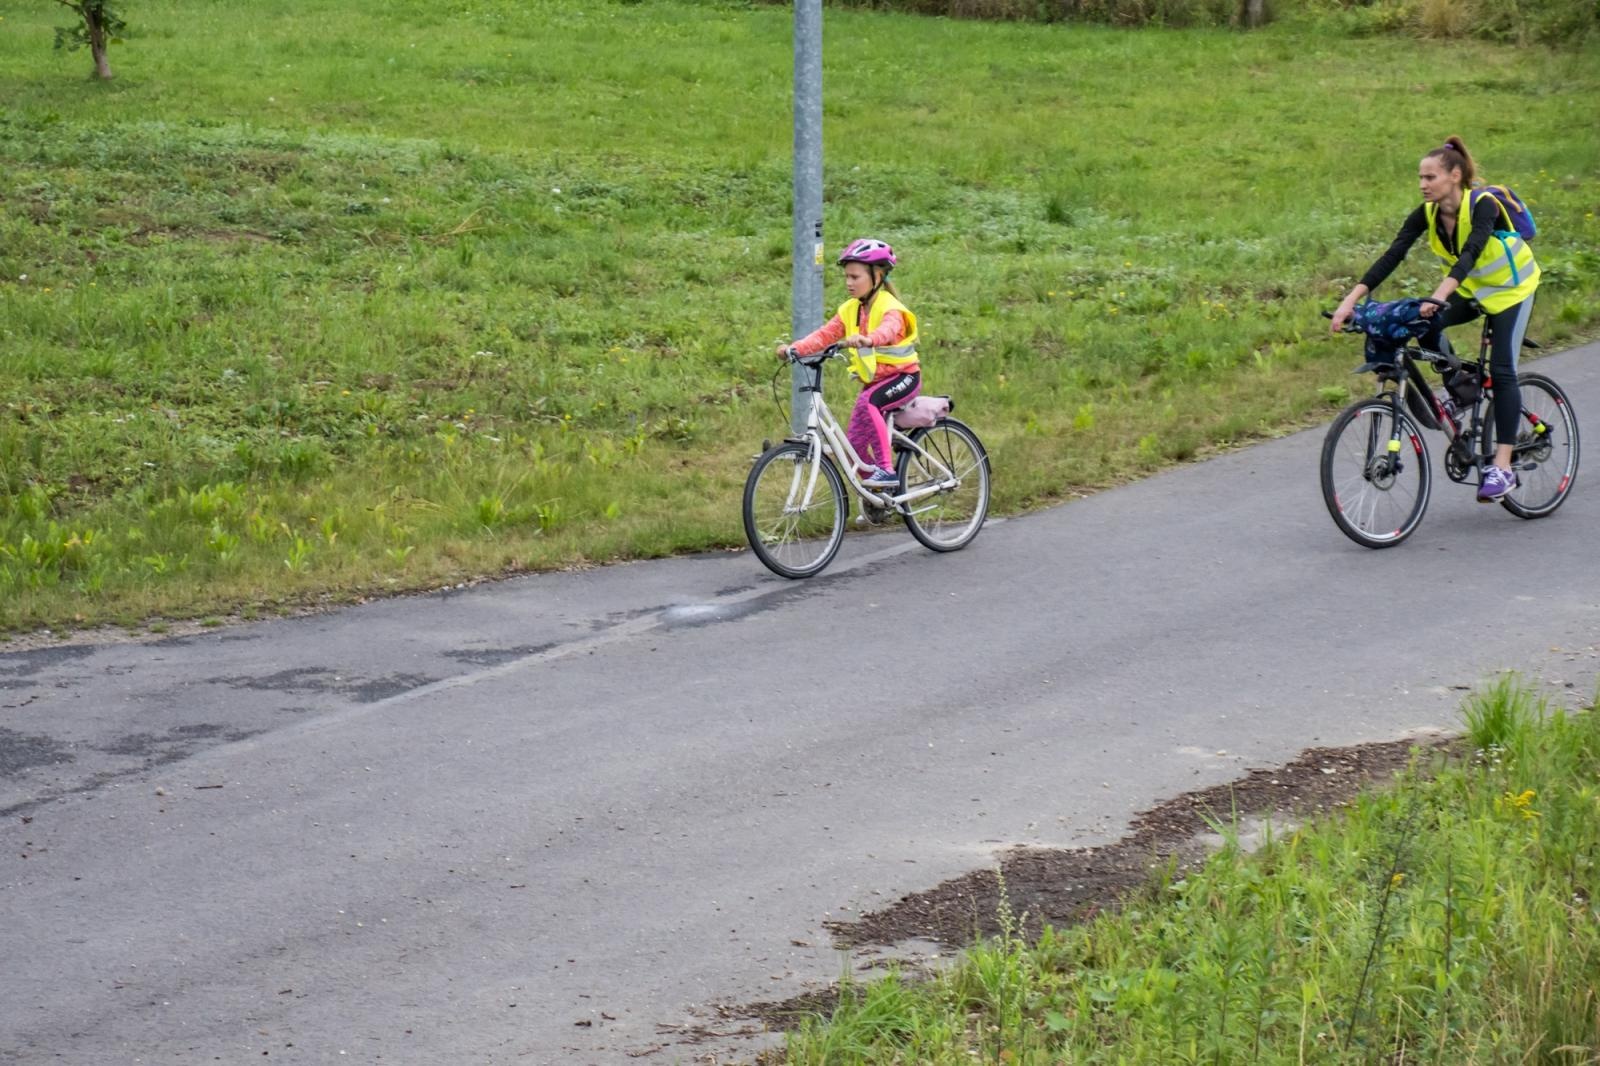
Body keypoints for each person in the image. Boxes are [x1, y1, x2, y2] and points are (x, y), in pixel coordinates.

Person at [1330, 136, 1540, 502]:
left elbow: (1471, 253)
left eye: (1430, 177)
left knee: (1504, 371)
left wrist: (1439, 296)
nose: (1423, 184)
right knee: (1424, 322)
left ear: (1455, 176)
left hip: (1512, 289)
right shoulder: (1426, 214)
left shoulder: (1483, 205)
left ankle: (1503, 468)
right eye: (1420, 178)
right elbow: (1392, 255)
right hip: (1473, 290)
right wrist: (1349, 300)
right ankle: (1459, 383)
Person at [775, 238, 922, 490]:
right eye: (847, 277)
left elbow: (888, 330)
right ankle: (880, 495)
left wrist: (869, 339)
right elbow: (824, 335)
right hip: (875, 382)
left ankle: (887, 470)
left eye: (855, 277)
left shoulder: (891, 307)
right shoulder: (850, 309)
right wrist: (794, 349)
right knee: (854, 443)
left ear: (877, 275)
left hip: (904, 378)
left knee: (869, 402)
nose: (849, 283)